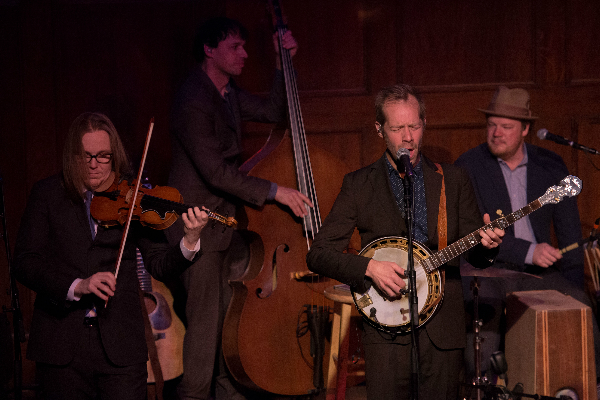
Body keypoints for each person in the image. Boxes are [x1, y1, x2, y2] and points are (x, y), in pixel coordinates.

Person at [306, 84, 504, 400]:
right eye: (398, 128)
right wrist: (369, 267)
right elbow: (318, 254)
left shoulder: (452, 180)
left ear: (424, 124)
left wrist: (488, 245)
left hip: (442, 331)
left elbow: (476, 253)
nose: (408, 137)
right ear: (379, 130)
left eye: (414, 126)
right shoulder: (358, 185)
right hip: (386, 333)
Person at [13, 112, 208, 400]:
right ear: (72, 156)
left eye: (103, 156)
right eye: (85, 156)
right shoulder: (47, 194)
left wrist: (190, 240)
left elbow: (159, 263)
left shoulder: (132, 197)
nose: (94, 165)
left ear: (113, 156)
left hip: (121, 346)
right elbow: (26, 262)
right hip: (61, 346)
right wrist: (77, 285)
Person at [166, 17, 312, 400]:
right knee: (204, 327)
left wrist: (283, 64)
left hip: (225, 225)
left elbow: (274, 111)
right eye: (235, 47)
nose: (245, 54)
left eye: (245, 47)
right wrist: (276, 190)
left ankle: (227, 392)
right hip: (195, 226)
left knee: (229, 323)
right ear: (209, 50)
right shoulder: (193, 97)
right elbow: (214, 171)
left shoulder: (227, 91)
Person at [455, 85, 600, 378]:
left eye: (506, 126)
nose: (497, 133)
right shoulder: (469, 166)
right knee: (481, 354)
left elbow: (570, 233)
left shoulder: (550, 165)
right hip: (488, 270)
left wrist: (572, 293)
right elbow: (471, 234)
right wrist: (528, 251)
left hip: (538, 274)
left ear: (525, 129)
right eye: (492, 125)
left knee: (584, 319)